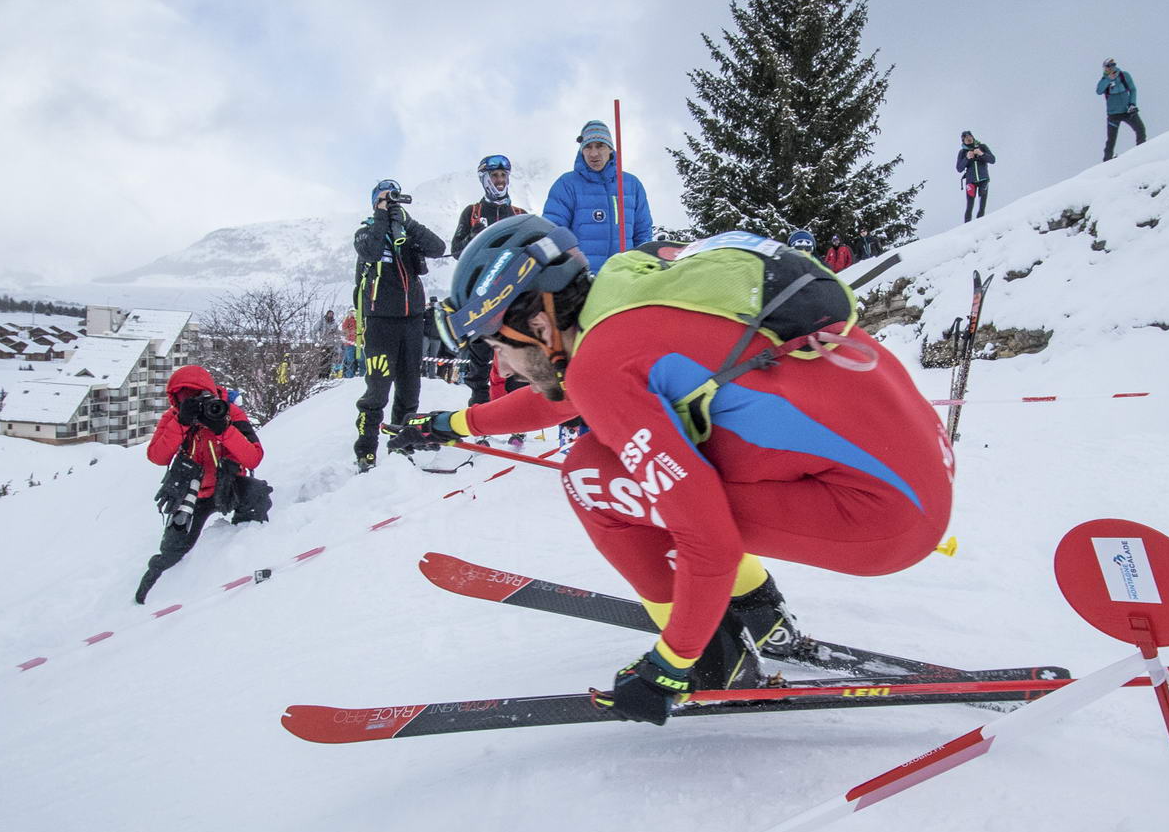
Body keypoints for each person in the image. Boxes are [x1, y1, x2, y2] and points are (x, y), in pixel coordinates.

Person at [393, 216, 955, 725]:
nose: (499, 364)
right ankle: (758, 613)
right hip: (914, 468)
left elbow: (702, 529)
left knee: (590, 475)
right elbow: (570, 395)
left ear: (538, 324)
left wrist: (674, 660)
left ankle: (717, 655)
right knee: (661, 452)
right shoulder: (627, 285)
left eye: (497, 343)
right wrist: (454, 424)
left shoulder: (602, 362)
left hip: (885, 521)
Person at [135, 364, 267, 603]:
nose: (197, 403)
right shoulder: (173, 418)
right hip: (191, 491)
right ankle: (145, 599)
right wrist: (181, 424)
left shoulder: (229, 413)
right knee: (173, 550)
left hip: (228, 484)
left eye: (199, 396)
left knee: (256, 496)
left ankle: (245, 556)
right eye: (186, 398)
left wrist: (223, 429)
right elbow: (157, 456)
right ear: (175, 399)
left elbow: (253, 457)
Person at [351, 179, 447, 470]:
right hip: (380, 322)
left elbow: (438, 247)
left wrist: (408, 222)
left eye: (394, 199)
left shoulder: (406, 232)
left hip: (412, 321)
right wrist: (381, 216)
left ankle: (401, 447)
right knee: (377, 391)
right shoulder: (365, 232)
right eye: (384, 198)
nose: (391, 204)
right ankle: (366, 451)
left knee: (409, 391)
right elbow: (368, 251)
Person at [450, 154, 531, 408]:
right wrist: (473, 239)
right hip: (480, 297)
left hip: (512, 296)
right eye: (494, 176)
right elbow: (456, 251)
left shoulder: (519, 213)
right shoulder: (472, 213)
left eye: (503, 176)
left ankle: (515, 417)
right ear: (485, 179)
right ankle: (479, 414)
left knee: (514, 357)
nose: (499, 181)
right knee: (480, 360)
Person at [542, 119, 653, 271]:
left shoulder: (631, 185)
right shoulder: (566, 185)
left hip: (624, 276)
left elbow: (643, 233)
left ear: (610, 149)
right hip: (582, 280)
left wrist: (642, 265)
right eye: (588, 147)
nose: (594, 153)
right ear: (582, 150)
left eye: (600, 146)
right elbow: (553, 232)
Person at [1096, 61, 1146, 161]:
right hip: (1113, 114)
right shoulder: (1104, 80)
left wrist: (1132, 104)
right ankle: (1107, 162)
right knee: (1111, 141)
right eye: (1107, 67)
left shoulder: (1124, 76)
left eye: (1111, 66)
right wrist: (1108, 79)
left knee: (1141, 130)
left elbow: (1132, 89)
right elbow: (1099, 91)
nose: (1109, 69)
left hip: (1128, 111)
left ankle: (1142, 153)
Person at [956, 132, 995, 222]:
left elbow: (992, 160)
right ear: (963, 141)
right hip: (971, 181)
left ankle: (979, 225)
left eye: (970, 136)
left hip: (983, 179)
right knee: (969, 206)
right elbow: (959, 168)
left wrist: (981, 154)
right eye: (966, 138)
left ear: (973, 137)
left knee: (982, 206)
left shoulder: (982, 147)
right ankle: (966, 227)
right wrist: (967, 158)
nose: (968, 139)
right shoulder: (962, 152)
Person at [339, 308, 361, 378]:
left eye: (354, 312)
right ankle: (349, 375)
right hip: (349, 343)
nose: (353, 313)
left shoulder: (359, 319)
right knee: (350, 359)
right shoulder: (347, 319)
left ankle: (360, 374)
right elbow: (344, 329)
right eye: (351, 312)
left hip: (359, 343)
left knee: (361, 359)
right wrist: (350, 332)